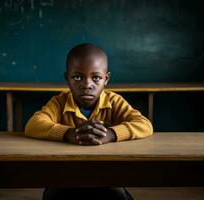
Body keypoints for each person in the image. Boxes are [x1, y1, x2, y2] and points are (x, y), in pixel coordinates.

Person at [25, 43, 153, 200]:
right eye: (77, 77)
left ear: (106, 79)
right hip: (65, 177)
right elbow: (33, 124)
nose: (86, 85)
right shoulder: (59, 102)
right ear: (67, 78)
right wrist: (69, 134)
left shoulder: (114, 101)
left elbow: (144, 124)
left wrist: (111, 134)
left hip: (107, 177)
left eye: (96, 78)